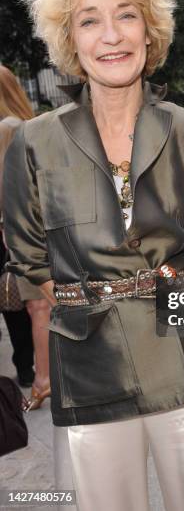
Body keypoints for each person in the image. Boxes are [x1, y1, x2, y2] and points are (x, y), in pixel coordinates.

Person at [3, 0, 184, 511]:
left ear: (150, 27)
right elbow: (29, 261)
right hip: (86, 370)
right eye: (90, 19)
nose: (111, 34)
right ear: (70, 38)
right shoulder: (34, 143)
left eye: (127, 14)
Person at [0, 65, 51, 402]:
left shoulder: (8, 128)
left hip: (24, 227)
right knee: (42, 306)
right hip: (38, 224)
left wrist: (7, 226)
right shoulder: (26, 123)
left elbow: (9, 185)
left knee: (38, 308)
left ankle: (44, 381)